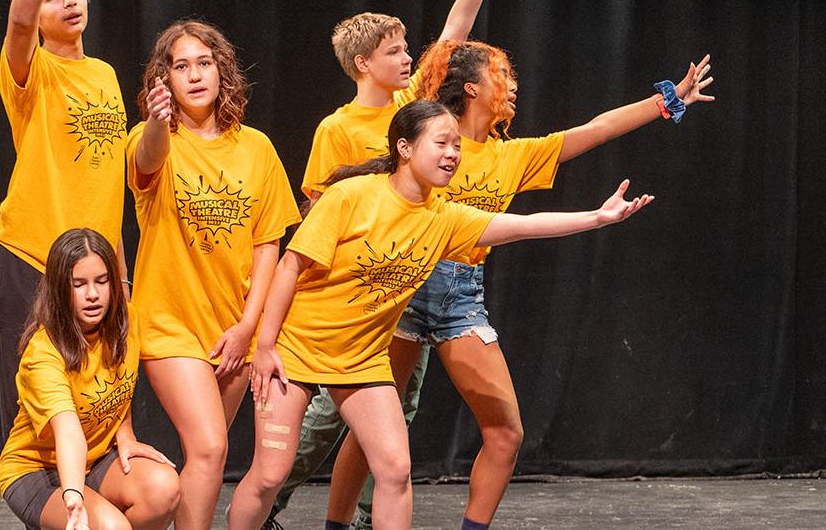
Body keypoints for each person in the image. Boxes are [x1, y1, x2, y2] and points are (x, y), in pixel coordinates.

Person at [323, 38, 714, 530]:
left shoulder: (514, 157)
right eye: (501, 74)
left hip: (461, 295)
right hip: (402, 287)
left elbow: (594, 130)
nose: (512, 84)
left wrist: (666, 101)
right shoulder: (429, 140)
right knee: (372, 431)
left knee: (506, 432)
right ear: (471, 87)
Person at [224, 100, 655, 530]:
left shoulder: (443, 217)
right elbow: (289, 266)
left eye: (456, 146)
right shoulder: (352, 196)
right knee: (269, 475)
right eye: (441, 143)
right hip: (295, 349)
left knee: (394, 471)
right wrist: (264, 346)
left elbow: (522, 226)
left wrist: (597, 218)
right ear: (405, 148)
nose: (452, 153)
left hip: (360, 360)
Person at [274, 0, 495, 528]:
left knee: (401, 407)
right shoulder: (338, 128)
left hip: (412, 279)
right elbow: (319, 218)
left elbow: (456, 30)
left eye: (405, 50)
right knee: (327, 416)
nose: (405, 59)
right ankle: (272, 500)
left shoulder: (416, 101)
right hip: (357, 294)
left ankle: (377, 517)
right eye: (393, 51)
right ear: (362, 64)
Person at [124, 19, 301, 529]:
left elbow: (268, 245)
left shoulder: (258, 148)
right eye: (181, 66)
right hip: (168, 323)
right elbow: (146, 159)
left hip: (232, 329)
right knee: (210, 446)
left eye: (204, 63)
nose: (195, 75)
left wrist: (250, 327)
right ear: (165, 80)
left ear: (222, 72)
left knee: (204, 457)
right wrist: (158, 121)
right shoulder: (152, 136)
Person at [0, 0, 132, 436]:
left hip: (94, 266)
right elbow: (18, 23)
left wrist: (120, 270)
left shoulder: (106, 74)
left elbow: (107, 183)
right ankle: (43, 505)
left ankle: (85, 501)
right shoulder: (32, 68)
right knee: (34, 407)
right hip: (31, 255)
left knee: (92, 397)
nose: (70, 1)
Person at [0, 228, 180, 530]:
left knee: (164, 489)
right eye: (78, 284)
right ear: (59, 289)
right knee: (112, 528)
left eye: (101, 281)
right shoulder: (43, 353)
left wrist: (125, 432)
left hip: (96, 462)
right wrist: (73, 496)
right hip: (37, 471)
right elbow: (68, 431)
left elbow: (117, 386)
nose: (93, 294)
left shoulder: (128, 322)